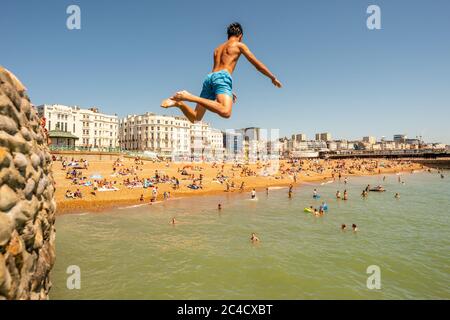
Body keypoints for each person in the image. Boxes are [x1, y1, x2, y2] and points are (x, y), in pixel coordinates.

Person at [161, 22, 282, 122]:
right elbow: (257, 65)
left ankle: (178, 103)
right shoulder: (239, 45)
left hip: (210, 78)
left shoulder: (217, 49)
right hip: (222, 77)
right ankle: (189, 96)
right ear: (240, 35)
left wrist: (228, 91)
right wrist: (272, 77)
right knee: (226, 111)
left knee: (195, 117)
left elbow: (217, 73)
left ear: (228, 35)